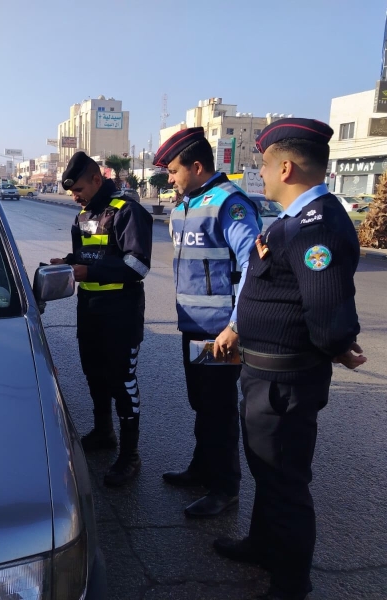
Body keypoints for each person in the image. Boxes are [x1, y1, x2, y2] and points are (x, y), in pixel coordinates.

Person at [212, 118, 366, 600]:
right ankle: (263, 545)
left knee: (285, 485)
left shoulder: (316, 225)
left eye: (263, 165)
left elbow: (327, 308)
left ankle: (290, 584)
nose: (259, 174)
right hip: (264, 375)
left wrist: (338, 344)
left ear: (285, 167)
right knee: (267, 471)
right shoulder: (295, 221)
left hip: (284, 382)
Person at [153, 128, 261, 518]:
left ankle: (225, 488)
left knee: (218, 409)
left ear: (197, 166)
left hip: (219, 331)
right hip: (193, 325)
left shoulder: (229, 203)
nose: (169, 179)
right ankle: (202, 468)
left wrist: (236, 325)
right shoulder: (187, 204)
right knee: (201, 403)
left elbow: (254, 265)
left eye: (173, 170)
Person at [50, 152, 153, 487]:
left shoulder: (127, 211)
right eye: (71, 192)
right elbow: (85, 255)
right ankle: (104, 432)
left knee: (122, 381)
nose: (75, 196)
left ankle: (130, 455)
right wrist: (67, 262)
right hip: (90, 308)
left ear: (97, 179)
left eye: (78, 189)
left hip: (121, 310)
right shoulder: (83, 215)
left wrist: (88, 270)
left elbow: (138, 265)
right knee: (94, 374)